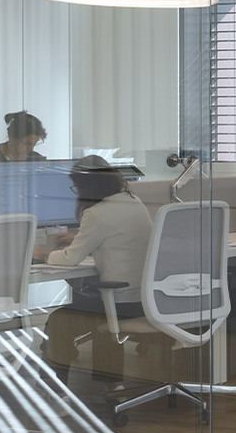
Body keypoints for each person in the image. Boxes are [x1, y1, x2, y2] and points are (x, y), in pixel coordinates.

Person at [43, 155, 153, 384]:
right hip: (145, 299)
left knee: (57, 321)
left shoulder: (97, 213)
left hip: (120, 301)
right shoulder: (133, 202)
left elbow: (69, 259)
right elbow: (120, 240)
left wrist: (42, 255)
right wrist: (82, 238)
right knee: (86, 311)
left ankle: (55, 386)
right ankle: (107, 386)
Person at [0, 111, 47, 193]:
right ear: (12, 138)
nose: (31, 149)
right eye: (27, 144)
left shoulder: (36, 159)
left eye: (34, 144)